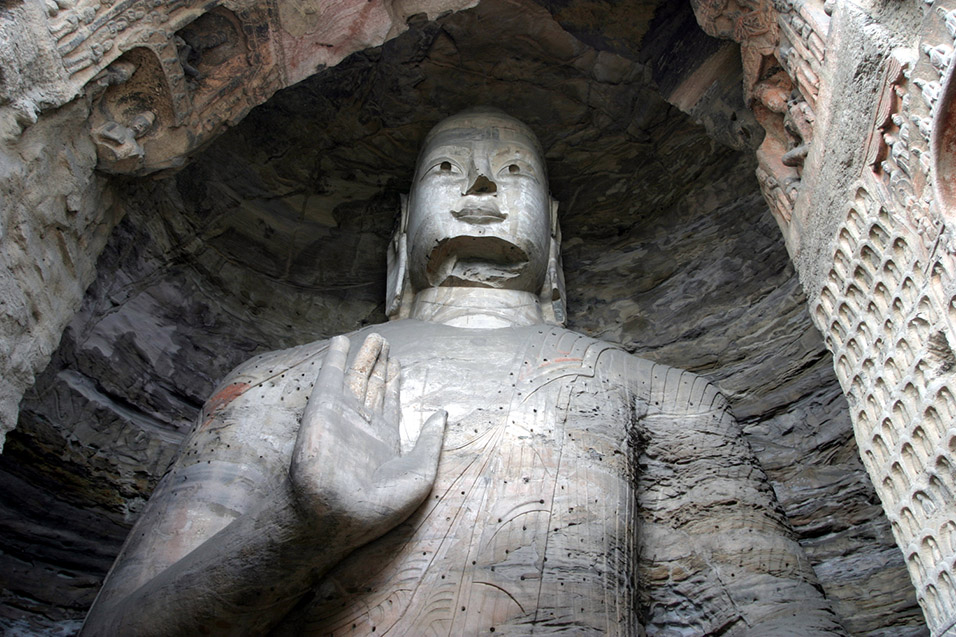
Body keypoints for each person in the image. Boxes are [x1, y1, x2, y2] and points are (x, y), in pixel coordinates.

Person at [82, 109, 845, 635]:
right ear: (401, 233)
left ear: (552, 232)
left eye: (510, 171)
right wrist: (299, 528)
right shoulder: (287, 379)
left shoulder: (664, 394)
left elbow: (763, 609)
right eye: (449, 168)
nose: (480, 189)